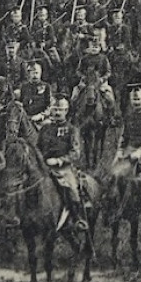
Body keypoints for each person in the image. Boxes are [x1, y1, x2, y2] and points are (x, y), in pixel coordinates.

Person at [36, 96, 88, 230]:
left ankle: (78, 219)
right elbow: (38, 148)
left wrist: (59, 160)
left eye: (61, 109)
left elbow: (75, 153)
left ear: (66, 110)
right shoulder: (45, 129)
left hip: (63, 168)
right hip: (44, 166)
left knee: (71, 188)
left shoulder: (72, 130)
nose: (58, 112)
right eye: (55, 109)